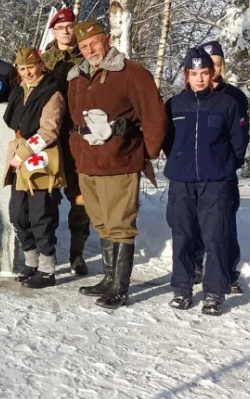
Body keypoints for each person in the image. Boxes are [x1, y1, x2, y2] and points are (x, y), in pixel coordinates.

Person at [67, 20, 167, 309]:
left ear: (107, 40)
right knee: (101, 221)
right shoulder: (76, 77)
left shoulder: (131, 73)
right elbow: (74, 120)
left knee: (120, 224)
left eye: (94, 43)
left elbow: (154, 116)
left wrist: (143, 152)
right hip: (88, 161)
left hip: (119, 160)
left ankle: (120, 288)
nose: (89, 50)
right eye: (84, 46)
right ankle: (109, 278)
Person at [163, 47, 247, 316]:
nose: (199, 79)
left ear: (212, 74)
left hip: (216, 183)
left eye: (204, 73)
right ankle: (182, 288)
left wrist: (224, 165)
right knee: (183, 236)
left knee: (216, 237)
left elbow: (238, 143)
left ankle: (214, 292)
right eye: (193, 73)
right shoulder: (174, 105)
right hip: (182, 182)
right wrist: (179, 160)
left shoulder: (227, 104)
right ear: (186, 75)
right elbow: (167, 141)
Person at [2, 48, 66, 289]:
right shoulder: (20, 91)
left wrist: (22, 154)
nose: (27, 72)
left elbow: (49, 131)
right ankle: (31, 262)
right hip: (19, 157)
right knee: (17, 214)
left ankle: (47, 270)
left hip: (41, 159)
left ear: (41, 65)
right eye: (22, 68)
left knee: (41, 216)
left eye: (31, 67)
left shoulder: (52, 93)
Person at [39, 7, 91, 276]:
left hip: (77, 134)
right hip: (50, 136)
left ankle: (77, 252)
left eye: (70, 26)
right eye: (60, 28)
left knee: (80, 195)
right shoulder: (44, 59)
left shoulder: (87, 57)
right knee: (46, 195)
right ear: (53, 31)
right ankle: (47, 250)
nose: (66, 32)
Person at [196, 40, 250, 294]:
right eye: (209, 64)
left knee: (224, 224)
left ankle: (228, 272)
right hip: (194, 171)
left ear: (222, 65)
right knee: (195, 222)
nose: (213, 69)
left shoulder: (234, 96)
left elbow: (241, 137)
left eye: (217, 64)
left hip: (222, 172)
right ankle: (195, 267)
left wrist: (230, 164)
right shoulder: (191, 95)